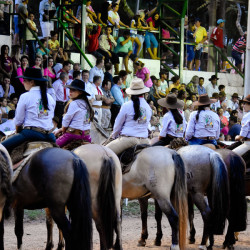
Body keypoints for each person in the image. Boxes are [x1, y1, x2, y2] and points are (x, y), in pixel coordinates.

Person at [1, 68, 56, 152]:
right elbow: (51, 117)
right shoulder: (50, 97)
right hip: (50, 136)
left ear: (32, 82)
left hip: (30, 134)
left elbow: (19, 121)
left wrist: (17, 131)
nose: (22, 82)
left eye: (24, 80)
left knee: (1, 148)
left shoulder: (25, 96)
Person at [106, 78, 152, 155]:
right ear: (143, 92)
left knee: (105, 153)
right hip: (145, 140)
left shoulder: (126, 105)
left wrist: (113, 136)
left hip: (128, 140)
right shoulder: (148, 107)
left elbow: (118, 124)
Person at [55, 79, 94, 147]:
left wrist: (63, 130)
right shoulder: (87, 104)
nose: (70, 92)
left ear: (80, 92)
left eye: (73, 90)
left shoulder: (74, 103)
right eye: (70, 90)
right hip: (87, 137)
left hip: (72, 135)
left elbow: (66, 120)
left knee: (53, 148)